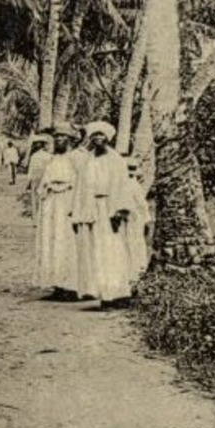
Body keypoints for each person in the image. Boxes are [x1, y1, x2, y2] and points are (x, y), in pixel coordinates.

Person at [70, 120, 140, 307]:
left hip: (109, 209)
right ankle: (102, 293)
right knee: (95, 252)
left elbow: (122, 186)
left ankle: (117, 293)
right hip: (91, 209)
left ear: (108, 138)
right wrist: (76, 213)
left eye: (101, 135)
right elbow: (80, 187)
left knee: (112, 250)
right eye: (94, 136)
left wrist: (119, 211)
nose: (98, 139)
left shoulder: (116, 160)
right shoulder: (87, 160)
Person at [29, 127, 80, 300]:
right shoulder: (51, 160)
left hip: (67, 203)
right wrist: (45, 189)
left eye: (62, 136)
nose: (59, 139)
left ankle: (71, 286)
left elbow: (81, 183)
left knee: (67, 243)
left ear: (70, 139)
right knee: (51, 242)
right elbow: (43, 182)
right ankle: (57, 284)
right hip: (51, 204)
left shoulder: (76, 159)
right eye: (56, 136)